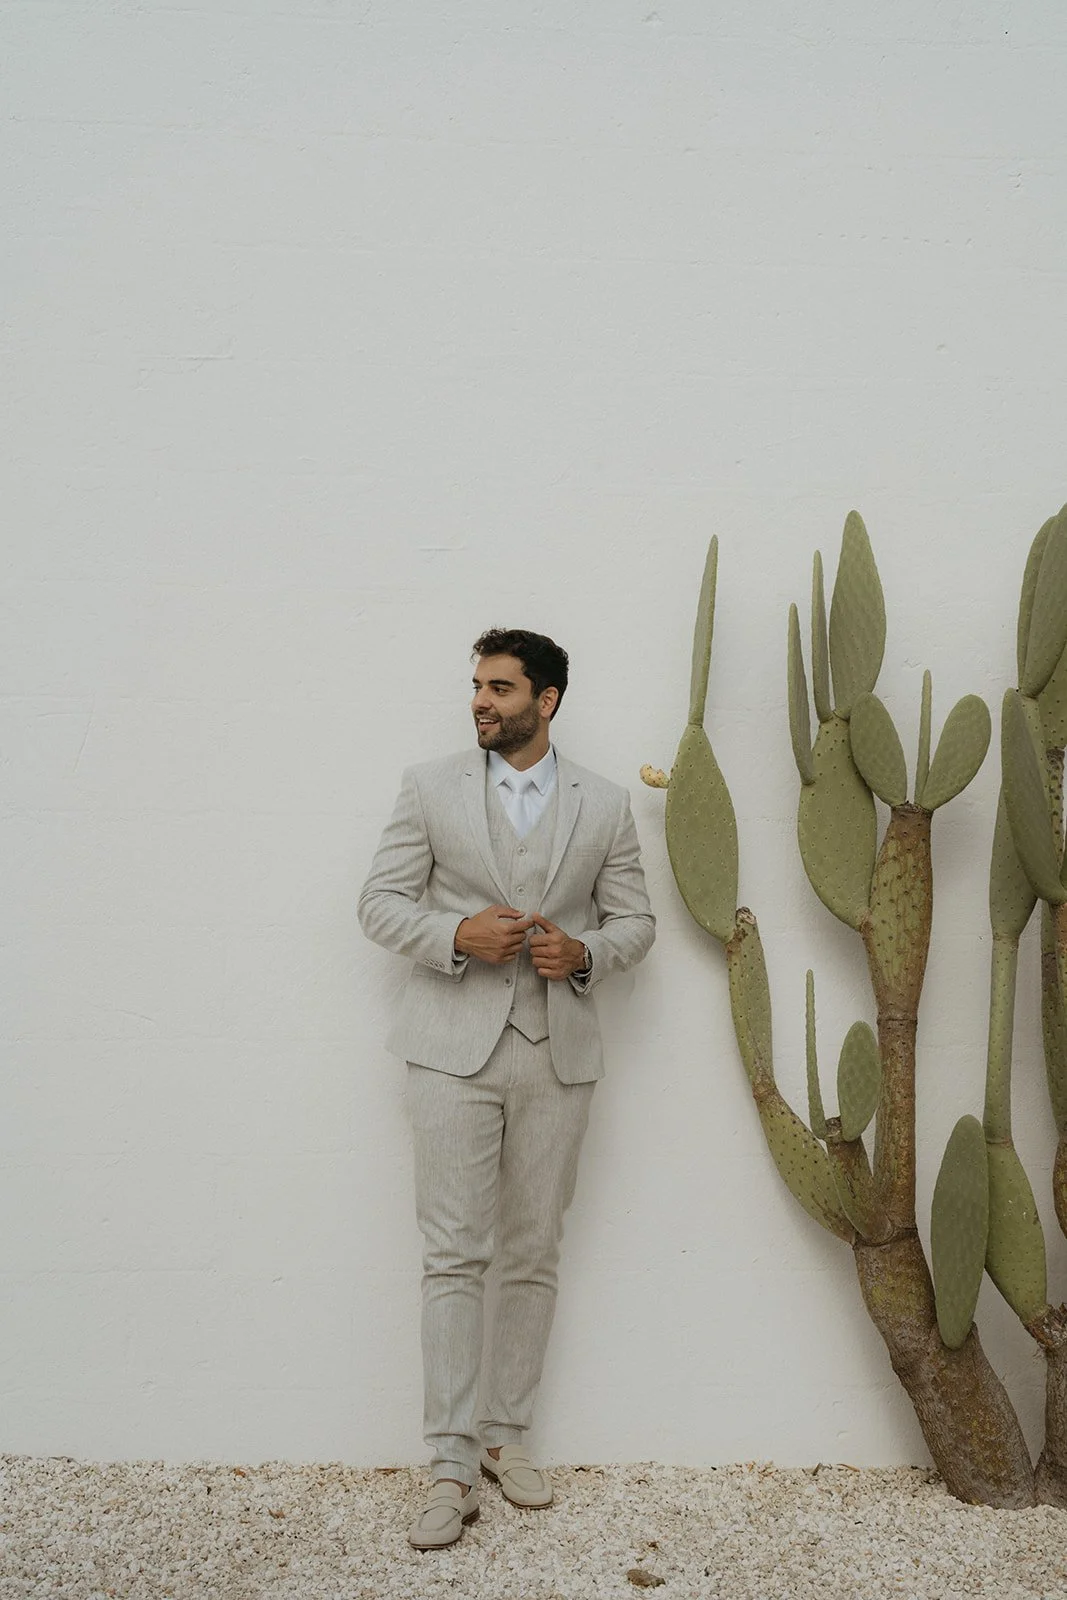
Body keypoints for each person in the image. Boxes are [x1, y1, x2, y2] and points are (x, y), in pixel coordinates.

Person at [358, 627, 655, 1549]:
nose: (480, 701)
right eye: (477, 686)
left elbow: (636, 922)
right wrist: (455, 936)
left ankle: (506, 1436)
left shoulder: (605, 804)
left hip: (555, 1052)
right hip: (450, 1051)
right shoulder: (428, 787)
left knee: (533, 1249)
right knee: (453, 1254)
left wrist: (585, 953)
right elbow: (378, 903)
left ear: (545, 700)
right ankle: (448, 1463)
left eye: (499, 688)